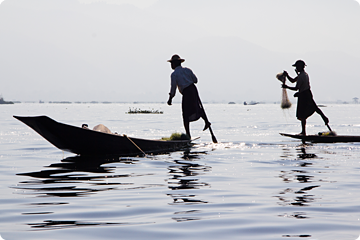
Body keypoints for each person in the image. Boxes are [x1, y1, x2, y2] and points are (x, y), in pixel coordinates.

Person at [167, 54, 211, 139]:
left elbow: (173, 88)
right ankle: (206, 121)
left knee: (185, 114)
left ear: (175, 64)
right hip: (193, 90)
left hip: (187, 92)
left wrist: (170, 99)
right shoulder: (187, 70)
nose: (171, 65)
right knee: (196, 108)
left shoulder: (174, 74)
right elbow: (195, 80)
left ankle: (188, 135)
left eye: (172, 63)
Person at [282, 60, 329, 135]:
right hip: (306, 94)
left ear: (301, 67)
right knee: (313, 108)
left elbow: (296, 88)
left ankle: (304, 132)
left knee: (303, 114)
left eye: (297, 67)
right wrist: (287, 75)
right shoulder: (303, 75)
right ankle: (324, 118)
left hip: (305, 95)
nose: (296, 68)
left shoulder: (302, 76)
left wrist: (286, 87)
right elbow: (293, 80)